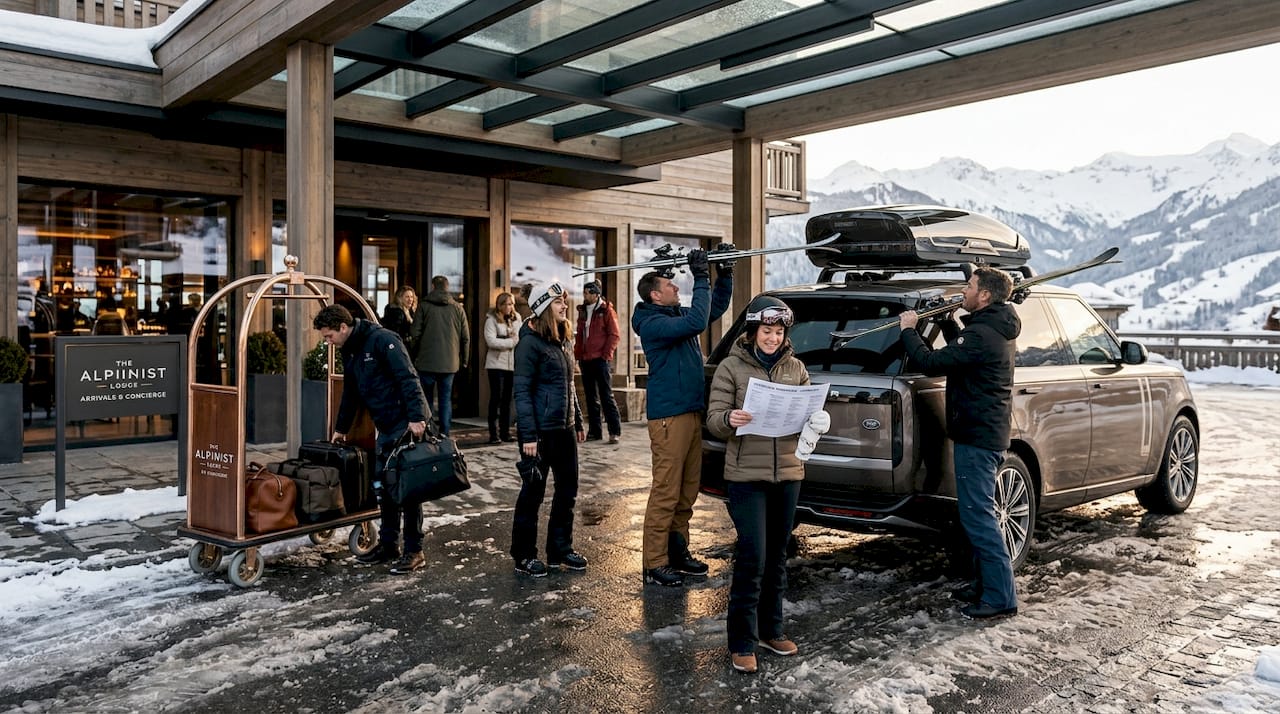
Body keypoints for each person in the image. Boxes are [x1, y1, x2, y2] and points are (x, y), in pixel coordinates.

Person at [899, 265, 1022, 619]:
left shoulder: (984, 335)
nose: (964, 291)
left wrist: (910, 329)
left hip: (978, 437)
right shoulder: (992, 327)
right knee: (975, 516)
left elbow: (931, 361)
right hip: (981, 433)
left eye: (970, 286)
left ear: (984, 295)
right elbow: (962, 354)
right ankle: (985, 584)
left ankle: (1001, 597)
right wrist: (951, 322)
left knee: (980, 518)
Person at [705, 296, 810, 674]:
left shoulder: (795, 368)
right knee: (753, 557)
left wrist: (816, 420)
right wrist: (729, 418)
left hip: (788, 475)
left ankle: (772, 630)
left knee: (778, 556)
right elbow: (714, 419)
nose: (773, 338)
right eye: (766, 331)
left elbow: (806, 416)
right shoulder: (731, 368)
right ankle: (742, 642)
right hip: (746, 476)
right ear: (753, 332)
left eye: (779, 332)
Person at [632, 244, 734, 587]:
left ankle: (678, 551)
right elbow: (697, 321)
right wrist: (701, 275)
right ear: (655, 296)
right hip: (668, 418)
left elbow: (712, 310)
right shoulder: (652, 324)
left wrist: (724, 275)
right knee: (665, 490)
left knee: (687, 489)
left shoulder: (673, 316)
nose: (677, 287)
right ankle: (655, 562)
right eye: (670, 285)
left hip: (690, 412)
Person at [315, 304, 431, 575]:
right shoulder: (351, 347)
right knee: (384, 486)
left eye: (328, 336)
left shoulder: (383, 340)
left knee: (408, 488)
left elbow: (408, 377)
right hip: (385, 425)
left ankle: (415, 550)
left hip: (405, 423)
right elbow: (351, 391)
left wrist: (417, 418)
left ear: (343, 327)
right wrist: (341, 427)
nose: (327, 342)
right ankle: (389, 544)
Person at [511, 281, 587, 577]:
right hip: (540, 433)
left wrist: (578, 419)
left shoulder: (563, 338)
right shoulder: (529, 343)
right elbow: (522, 391)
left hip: (564, 428)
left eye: (563, 301)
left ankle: (560, 549)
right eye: (558, 302)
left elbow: (568, 385)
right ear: (544, 308)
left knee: (567, 492)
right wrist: (528, 435)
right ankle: (524, 555)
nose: (564, 306)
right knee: (532, 495)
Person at [409, 275, 469, 435]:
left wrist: (412, 355)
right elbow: (465, 338)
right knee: (445, 400)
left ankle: (428, 432)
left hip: (425, 361)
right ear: (447, 287)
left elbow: (414, 333)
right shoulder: (457, 308)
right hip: (450, 363)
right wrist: (464, 360)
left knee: (426, 399)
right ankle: (445, 433)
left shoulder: (424, 306)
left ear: (433, 286)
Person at [574, 280, 623, 444]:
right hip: (585, 359)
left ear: (596, 294)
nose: (585, 295)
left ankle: (614, 430)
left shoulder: (606, 310)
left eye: (588, 293)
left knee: (606, 395)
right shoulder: (582, 311)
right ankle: (595, 432)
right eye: (584, 292)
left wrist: (606, 355)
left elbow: (614, 335)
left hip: (600, 360)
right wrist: (577, 355)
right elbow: (580, 335)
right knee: (590, 397)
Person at [484, 291, 519, 444]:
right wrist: (510, 342)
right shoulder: (491, 320)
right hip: (496, 364)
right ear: (500, 305)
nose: (509, 307)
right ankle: (493, 434)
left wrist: (510, 340)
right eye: (506, 304)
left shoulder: (517, 318)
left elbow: (520, 337)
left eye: (511, 304)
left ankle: (505, 432)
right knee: (496, 398)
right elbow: (491, 342)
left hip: (511, 365)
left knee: (507, 400)